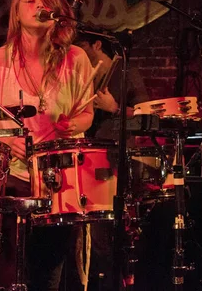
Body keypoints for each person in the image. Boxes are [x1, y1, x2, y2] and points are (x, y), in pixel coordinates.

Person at [0, 0, 94, 291]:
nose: (39, 6)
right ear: (15, 12)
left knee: (47, 275)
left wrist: (75, 124)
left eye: (45, 0)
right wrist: (4, 139)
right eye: (30, 0)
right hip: (11, 180)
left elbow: (87, 113)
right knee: (8, 270)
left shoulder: (77, 59)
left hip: (60, 181)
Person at [73, 31, 150, 290]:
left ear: (97, 45)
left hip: (117, 160)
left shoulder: (125, 71)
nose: (77, 51)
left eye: (81, 45)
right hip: (88, 159)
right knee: (91, 231)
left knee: (108, 230)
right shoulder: (83, 77)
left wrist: (114, 108)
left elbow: (146, 114)